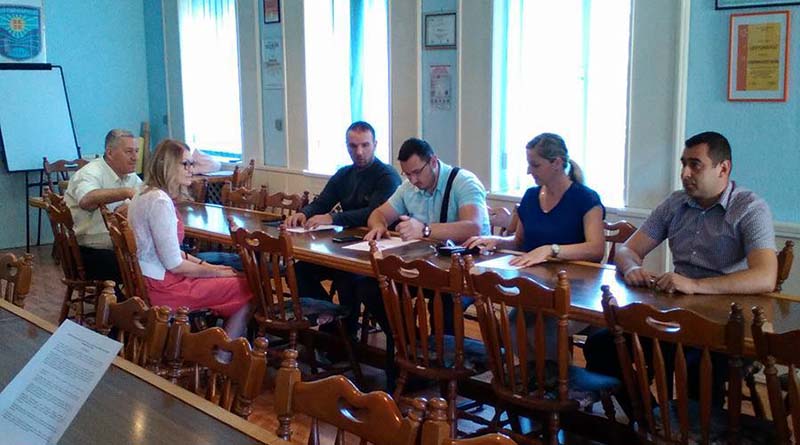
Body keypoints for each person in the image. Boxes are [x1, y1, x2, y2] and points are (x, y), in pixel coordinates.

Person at [584, 130, 777, 407]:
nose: (685, 173)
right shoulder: (675, 203)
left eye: (695, 165)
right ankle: (649, 419)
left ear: (723, 168)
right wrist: (632, 268)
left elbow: (765, 276)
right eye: (683, 164)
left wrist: (695, 285)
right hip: (676, 316)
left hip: (727, 323)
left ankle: (695, 428)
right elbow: (627, 250)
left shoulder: (749, 208)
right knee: (600, 347)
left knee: (698, 367)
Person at [464, 132, 605, 360]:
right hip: (535, 287)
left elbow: (596, 249)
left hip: (575, 292)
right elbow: (519, 241)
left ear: (557, 163)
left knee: (543, 330)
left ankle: (555, 378)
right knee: (513, 327)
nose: (529, 171)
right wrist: (497, 241)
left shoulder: (586, 198)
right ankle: (534, 377)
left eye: (535, 165)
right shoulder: (531, 196)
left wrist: (552, 250)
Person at [127, 139, 252, 338]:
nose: (191, 169)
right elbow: (174, 264)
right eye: (185, 164)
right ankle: (222, 351)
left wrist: (208, 266)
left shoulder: (143, 193)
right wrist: (216, 273)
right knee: (247, 285)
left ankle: (212, 342)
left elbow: (171, 251)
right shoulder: (159, 201)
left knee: (234, 275)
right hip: (163, 288)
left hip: (147, 278)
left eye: (191, 164)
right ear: (167, 165)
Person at [285, 121, 401, 335]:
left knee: (347, 278)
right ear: (346, 146)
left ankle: (347, 335)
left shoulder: (387, 176)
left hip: (376, 250)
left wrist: (333, 218)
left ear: (375, 144)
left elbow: (373, 212)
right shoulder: (345, 173)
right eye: (353, 146)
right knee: (298, 270)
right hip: (345, 247)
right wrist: (305, 213)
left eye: (365, 145)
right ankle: (333, 323)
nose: (359, 152)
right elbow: (324, 201)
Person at [364, 137, 489, 243]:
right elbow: (378, 214)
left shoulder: (465, 182)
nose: (413, 180)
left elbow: (473, 228)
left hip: (473, 259)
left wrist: (424, 230)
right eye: (408, 174)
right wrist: (378, 225)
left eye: (417, 172)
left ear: (433, 162)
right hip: (431, 258)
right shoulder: (408, 187)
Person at [65, 129, 143, 285]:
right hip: (86, 251)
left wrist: (133, 205)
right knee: (139, 268)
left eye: (136, 151)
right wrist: (126, 193)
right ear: (110, 152)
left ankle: (135, 298)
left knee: (153, 261)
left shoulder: (130, 176)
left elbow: (145, 199)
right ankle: (123, 300)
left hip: (118, 245)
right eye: (129, 152)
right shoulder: (89, 173)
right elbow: (86, 200)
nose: (135, 157)